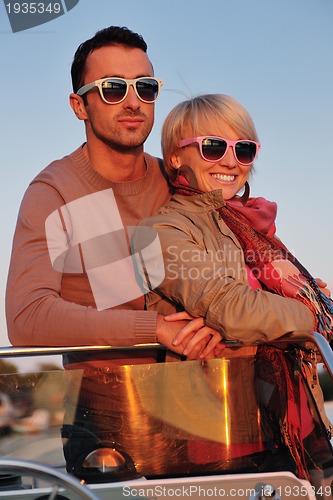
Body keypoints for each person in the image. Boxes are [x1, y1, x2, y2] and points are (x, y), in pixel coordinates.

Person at [5, 26, 216, 477]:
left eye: (145, 87)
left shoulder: (182, 181)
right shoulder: (53, 192)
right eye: (113, 88)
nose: (133, 101)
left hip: (210, 404)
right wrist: (151, 328)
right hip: (107, 423)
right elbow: (26, 318)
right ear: (79, 104)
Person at [137, 94, 333, 489]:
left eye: (243, 149)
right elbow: (232, 309)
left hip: (295, 419)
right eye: (213, 147)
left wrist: (293, 303)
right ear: (176, 157)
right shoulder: (159, 232)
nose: (231, 162)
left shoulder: (248, 227)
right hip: (218, 436)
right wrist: (313, 314)